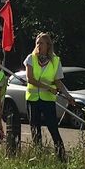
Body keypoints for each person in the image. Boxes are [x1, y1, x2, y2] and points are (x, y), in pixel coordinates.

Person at [23, 33, 76, 161]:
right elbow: (30, 79)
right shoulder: (31, 58)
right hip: (33, 99)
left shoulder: (55, 60)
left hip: (48, 100)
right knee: (35, 129)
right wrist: (48, 87)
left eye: (41, 43)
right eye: (37, 43)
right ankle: (38, 155)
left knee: (53, 128)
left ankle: (61, 156)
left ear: (48, 45)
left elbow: (58, 81)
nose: (38, 45)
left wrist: (68, 96)